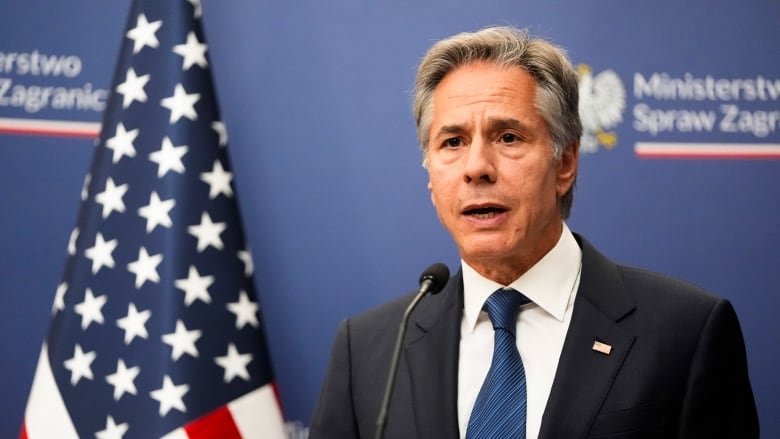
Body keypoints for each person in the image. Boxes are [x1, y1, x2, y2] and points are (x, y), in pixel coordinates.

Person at [309, 26, 759, 439]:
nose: (477, 168)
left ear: (564, 163)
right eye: (452, 142)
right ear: (429, 174)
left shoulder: (684, 331)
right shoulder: (369, 350)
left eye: (508, 137)